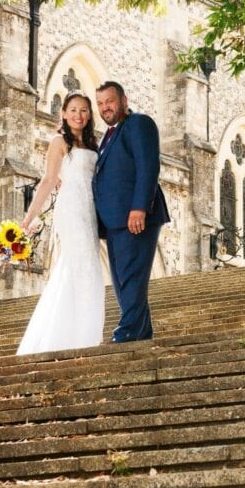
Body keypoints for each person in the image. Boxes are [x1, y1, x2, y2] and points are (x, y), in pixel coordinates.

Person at [15, 92, 105, 355]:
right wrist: (28, 218)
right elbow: (48, 180)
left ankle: (81, 333)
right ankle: (80, 338)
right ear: (64, 113)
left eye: (85, 110)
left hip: (91, 211)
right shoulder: (58, 142)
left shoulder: (93, 143)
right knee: (85, 267)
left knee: (85, 270)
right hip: (72, 210)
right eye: (74, 110)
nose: (79, 115)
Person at [93, 81, 170, 344]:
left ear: (124, 101)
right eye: (100, 104)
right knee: (123, 282)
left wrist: (139, 208)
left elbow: (148, 166)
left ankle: (125, 334)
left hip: (136, 218)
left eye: (110, 101)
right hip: (114, 223)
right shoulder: (108, 136)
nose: (105, 108)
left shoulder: (139, 124)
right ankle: (142, 335)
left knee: (131, 279)